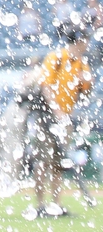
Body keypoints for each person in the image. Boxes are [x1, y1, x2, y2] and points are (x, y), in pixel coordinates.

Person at [22, 21, 94, 219]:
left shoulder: (81, 63)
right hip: (47, 117)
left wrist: (84, 80)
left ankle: (56, 205)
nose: (86, 46)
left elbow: (86, 92)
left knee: (58, 163)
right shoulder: (56, 58)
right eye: (84, 41)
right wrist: (57, 112)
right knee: (42, 161)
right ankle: (40, 205)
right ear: (77, 41)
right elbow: (46, 87)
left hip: (65, 120)